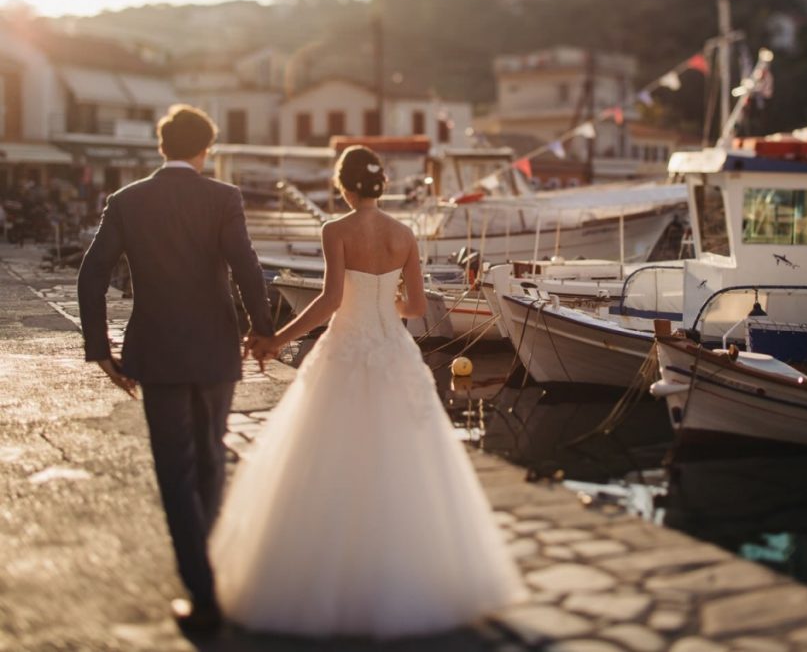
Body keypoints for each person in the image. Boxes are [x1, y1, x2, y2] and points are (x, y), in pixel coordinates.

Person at [212, 146, 525, 639]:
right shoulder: (404, 235)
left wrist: (278, 337)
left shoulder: (335, 230)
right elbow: (416, 306)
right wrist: (385, 303)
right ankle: (408, 576)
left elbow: (331, 300)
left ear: (344, 186)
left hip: (347, 348)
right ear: (380, 185)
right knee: (402, 460)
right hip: (394, 351)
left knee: (333, 457)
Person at [77, 104, 273, 633]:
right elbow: (247, 267)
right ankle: (207, 567)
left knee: (175, 469)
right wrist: (263, 330)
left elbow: (92, 275)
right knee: (211, 457)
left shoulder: (126, 201)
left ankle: (202, 589)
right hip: (216, 349)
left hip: (157, 352)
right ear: (206, 149)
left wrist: (101, 349)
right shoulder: (223, 198)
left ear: (161, 146)